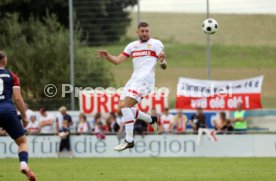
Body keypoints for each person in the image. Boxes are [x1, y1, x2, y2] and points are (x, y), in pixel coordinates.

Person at [97, 21, 167, 151]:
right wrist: (108, 56)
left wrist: (162, 60)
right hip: (133, 80)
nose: (145, 33)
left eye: (147, 31)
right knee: (120, 110)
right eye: (142, 31)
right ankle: (151, 120)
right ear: (137, 31)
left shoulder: (156, 44)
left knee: (125, 106)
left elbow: (163, 66)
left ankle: (129, 140)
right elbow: (117, 61)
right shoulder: (132, 46)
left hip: (145, 81)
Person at [0, 51, 36, 180]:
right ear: (4, 61)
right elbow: (18, 99)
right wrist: (24, 117)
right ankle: (23, 165)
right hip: (7, 110)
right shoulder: (11, 75)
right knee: (22, 142)